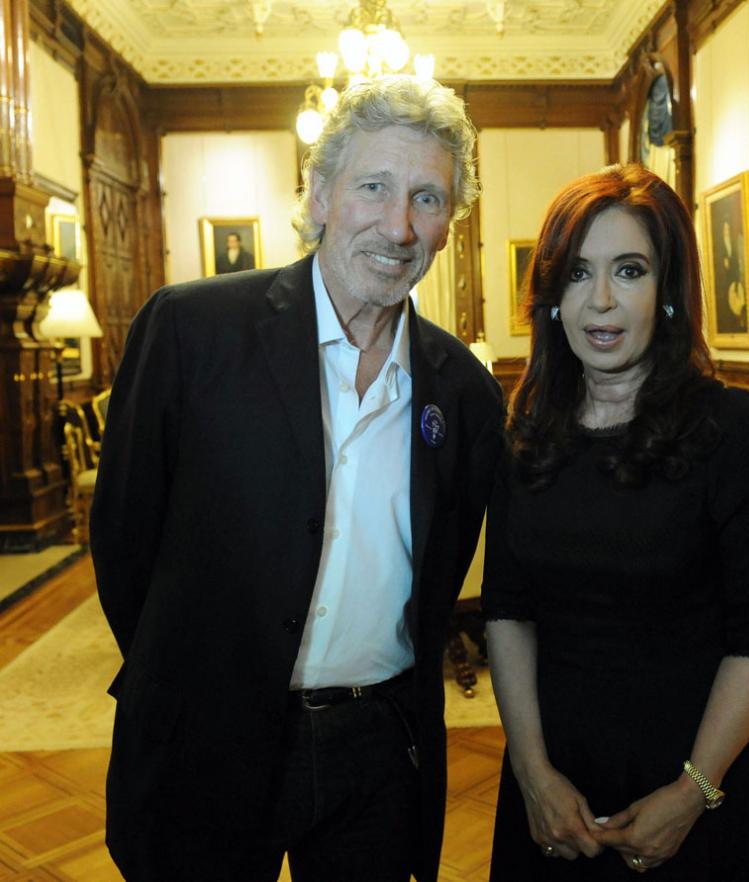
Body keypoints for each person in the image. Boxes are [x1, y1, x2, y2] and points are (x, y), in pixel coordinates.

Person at [90, 75, 504, 882]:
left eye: (427, 198)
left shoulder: (464, 392)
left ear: (449, 224)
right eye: (374, 187)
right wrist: (185, 680)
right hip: (207, 736)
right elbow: (124, 542)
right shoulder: (190, 331)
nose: (398, 226)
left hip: (376, 750)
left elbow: (442, 576)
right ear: (318, 195)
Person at [482, 163, 749, 880]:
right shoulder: (525, 435)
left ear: (668, 291)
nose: (600, 299)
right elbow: (506, 612)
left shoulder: (730, 429)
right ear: (552, 298)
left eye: (629, 270)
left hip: (696, 771)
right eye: (578, 274)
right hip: (554, 779)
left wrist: (693, 793)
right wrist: (533, 774)